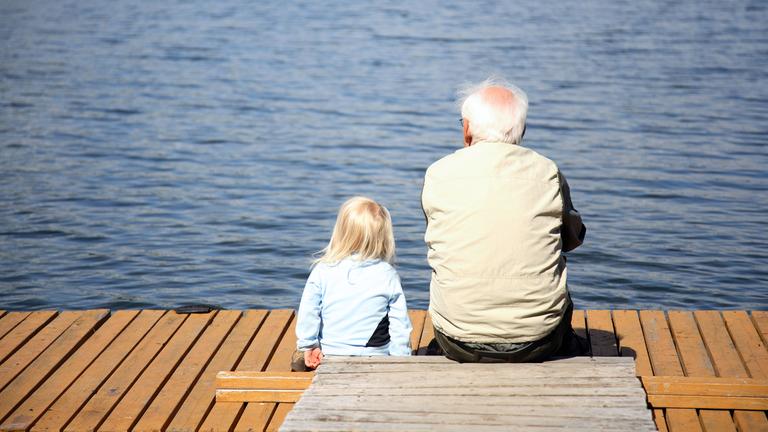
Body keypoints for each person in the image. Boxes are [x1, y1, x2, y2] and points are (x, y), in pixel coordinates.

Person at [421, 78, 587, 363]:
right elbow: (573, 239)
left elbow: (438, 233)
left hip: (456, 339)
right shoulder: (547, 171)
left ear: (466, 128)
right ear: (521, 129)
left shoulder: (439, 173)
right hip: (539, 340)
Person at [292, 196, 413, 371]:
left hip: (329, 354)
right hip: (376, 357)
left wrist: (308, 345)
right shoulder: (388, 274)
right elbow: (399, 325)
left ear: (341, 232)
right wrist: (400, 360)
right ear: (383, 237)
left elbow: (309, 312)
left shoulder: (323, 270)